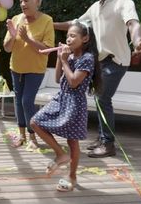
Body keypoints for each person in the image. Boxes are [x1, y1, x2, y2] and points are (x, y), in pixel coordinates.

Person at [53, 0, 141, 158]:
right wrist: (51, 24)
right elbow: (76, 23)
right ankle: (104, 138)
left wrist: (138, 43)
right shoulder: (96, 7)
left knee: (103, 98)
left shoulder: (123, 2)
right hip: (102, 61)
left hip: (117, 61)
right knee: (99, 98)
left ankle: (108, 145)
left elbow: (133, 24)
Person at [31, 21, 101, 192]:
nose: (68, 39)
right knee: (35, 122)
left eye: (73, 36)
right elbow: (57, 79)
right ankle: (60, 154)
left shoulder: (87, 58)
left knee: (73, 141)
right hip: (61, 98)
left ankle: (72, 176)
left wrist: (64, 60)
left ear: (85, 38)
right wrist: (59, 59)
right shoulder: (69, 56)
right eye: (68, 36)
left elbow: (74, 82)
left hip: (75, 103)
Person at [3, 0, 55, 148]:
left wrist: (27, 40)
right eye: (21, 1)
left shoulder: (47, 21)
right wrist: (12, 36)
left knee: (26, 101)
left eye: (26, 1)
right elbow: (7, 48)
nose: (23, 4)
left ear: (37, 1)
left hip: (35, 69)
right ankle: (22, 135)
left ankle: (33, 137)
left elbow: (47, 50)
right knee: (18, 101)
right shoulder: (17, 19)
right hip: (16, 67)